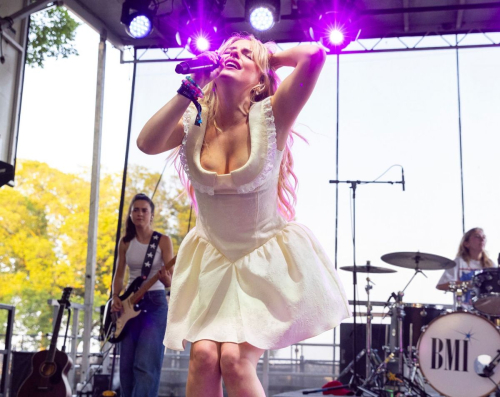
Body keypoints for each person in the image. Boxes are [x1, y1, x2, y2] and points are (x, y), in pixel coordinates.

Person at [137, 34, 350, 396]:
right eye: (227, 51)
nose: (232, 54)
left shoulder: (273, 115)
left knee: (234, 360)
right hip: (213, 259)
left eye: (244, 54)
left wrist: (270, 57)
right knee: (203, 356)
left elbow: (314, 54)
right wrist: (191, 86)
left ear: (260, 79)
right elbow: (147, 143)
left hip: (262, 258)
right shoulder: (195, 118)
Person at [111, 193, 174, 397]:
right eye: (136, 210)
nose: (140, 213)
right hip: (129, 305)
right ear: (130, 214)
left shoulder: (163, 241)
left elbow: (172, 279)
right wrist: (115, 297)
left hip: (154, 304)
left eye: (144, 210)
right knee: (127, 368)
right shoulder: (125, 242)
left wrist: (167, 282)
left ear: (152, 215)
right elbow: (119, 273)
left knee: (145, 365)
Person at [436, 227, 495, 310]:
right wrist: (466, 284)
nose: (482, 239)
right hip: (462, 311)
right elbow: (441, 286)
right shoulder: (458, 262)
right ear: (466, 243)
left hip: (485, 312)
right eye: (477, 236)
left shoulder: (490, 265)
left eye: (484, 237)